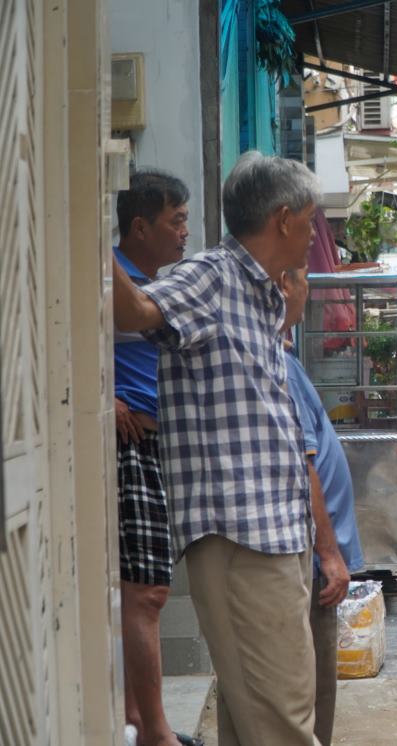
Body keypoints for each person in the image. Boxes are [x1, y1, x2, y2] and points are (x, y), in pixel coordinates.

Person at [112, 151, 324, 745]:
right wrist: (80, 223)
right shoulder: (212, 276)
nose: (316, 233)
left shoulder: (263, 293)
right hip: (240, 534)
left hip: (273, 531)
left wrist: (293, 305)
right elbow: (134, 310)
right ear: (284, 219)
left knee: (255, 717)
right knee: (283, 723)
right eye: (312, 219)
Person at [113, 171, 194, 746]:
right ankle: (154, 730)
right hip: (130, 444)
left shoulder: (155, 287)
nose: (185, 232)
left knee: (139, 590)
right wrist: (102, 396)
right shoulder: (116, 283)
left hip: (159, 444)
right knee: (146, 591)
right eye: (177, 220)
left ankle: (138, 717)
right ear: (140, 226)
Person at [281, 266, 364, 746]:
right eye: (301, 277)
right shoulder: (281, 367)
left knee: (313, 679)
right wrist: (329, 555)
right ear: (284, 288)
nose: (309, 290)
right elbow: (304, 466)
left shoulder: (287, 362)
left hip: (312, 555)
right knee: (311, 684)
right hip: (311, 557)